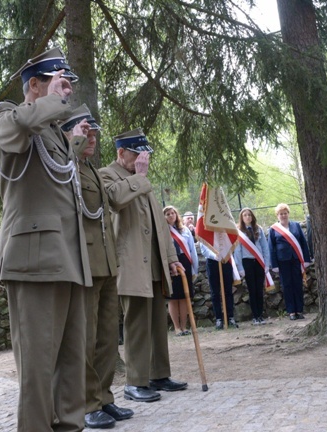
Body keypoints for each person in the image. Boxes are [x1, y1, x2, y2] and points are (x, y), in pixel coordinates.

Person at [0, 47, 92, 431]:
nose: (65, 86)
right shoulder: (8, 116)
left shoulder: (51, 131)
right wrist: (52, 101)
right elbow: (14, 131)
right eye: (56, 78)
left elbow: (63, 176)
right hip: (34, 262)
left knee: (71, 364)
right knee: (36, 369)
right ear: (34, 84)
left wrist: (75, 138)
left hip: (66, 258)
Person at [99, 128, 187, 404]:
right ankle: (135, 382)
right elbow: (115, 200)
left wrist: (172, 259)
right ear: (121, 152)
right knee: (136, 323)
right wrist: (139, 177)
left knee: (157, 322)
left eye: (144, 155)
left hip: (154, 262)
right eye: (137, 154)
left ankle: (158, 374)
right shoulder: (107, 174)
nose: (142, 160)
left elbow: (160, 224)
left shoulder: (141, 179)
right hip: (129, 262)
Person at [61, 105, 134, 429]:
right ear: (71, 134)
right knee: (86, 340)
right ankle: (87, 404)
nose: (91, 138)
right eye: (84, 133)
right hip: (85, 266)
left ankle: (104, 397)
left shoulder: (91, 169)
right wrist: (73, 145)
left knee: (107, 338)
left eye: (93, 134)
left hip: (105, 264)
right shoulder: (66, 167)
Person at [268, 203, 311, 321]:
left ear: (288, 214)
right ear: (277, 215)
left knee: (297, 284)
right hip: (282, 261)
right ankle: (291, 311)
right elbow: (271, 248)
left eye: (285, 213)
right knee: (287, 285)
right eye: (281, 214)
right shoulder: (273, 229)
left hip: (296, 259)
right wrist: (274, 264)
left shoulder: (296, 226)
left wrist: (306, 259)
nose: (283, 215)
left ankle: (299, 310)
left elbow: (303, 243)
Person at [163, 205, 198, 336]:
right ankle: (177, 327)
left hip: (185, 262)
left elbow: (192, 250)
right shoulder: (162, 231)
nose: (171, 215)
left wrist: (194, 268)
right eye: (167, 214)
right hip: (170, 263)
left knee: (184, 296)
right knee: (173, 297)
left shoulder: (185, 230)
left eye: (173, 213)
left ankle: (184, 326)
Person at [233, 208, 271, 325]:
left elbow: (265, 247)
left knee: (259, 289)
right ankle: (255, 316)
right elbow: (237, 251)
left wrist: (266, 264)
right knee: (252, 289)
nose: (247, 217)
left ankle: (260, 315)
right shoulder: (239, 231)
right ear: (242, 218)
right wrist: (240, 268)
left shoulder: (258, 229)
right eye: (245, 215)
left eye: (249, 215)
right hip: (247, 262)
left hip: (259, 262)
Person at [200, 242, 239, 330]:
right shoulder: (205, 232)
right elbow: (204, 250)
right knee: (215, 292)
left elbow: (229, 243)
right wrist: (214, 256)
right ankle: (219, 319)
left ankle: (230, 318)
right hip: (212, 262)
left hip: (225, 260)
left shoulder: (222, 230)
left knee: (228, 291)